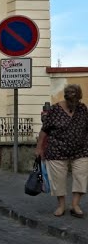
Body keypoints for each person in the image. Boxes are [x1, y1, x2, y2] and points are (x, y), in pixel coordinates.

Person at [36, 83, 88, 217]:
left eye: (77, 100)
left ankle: (75, 205)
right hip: (57, 149)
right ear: (66, 97)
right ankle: (61, 205)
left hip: (81, 149)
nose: (74, 103)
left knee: (81, 176)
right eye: (72, 100)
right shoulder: (55, 109)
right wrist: (39, 147)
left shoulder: (82, 108)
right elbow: (44, 130)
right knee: (58, 179)